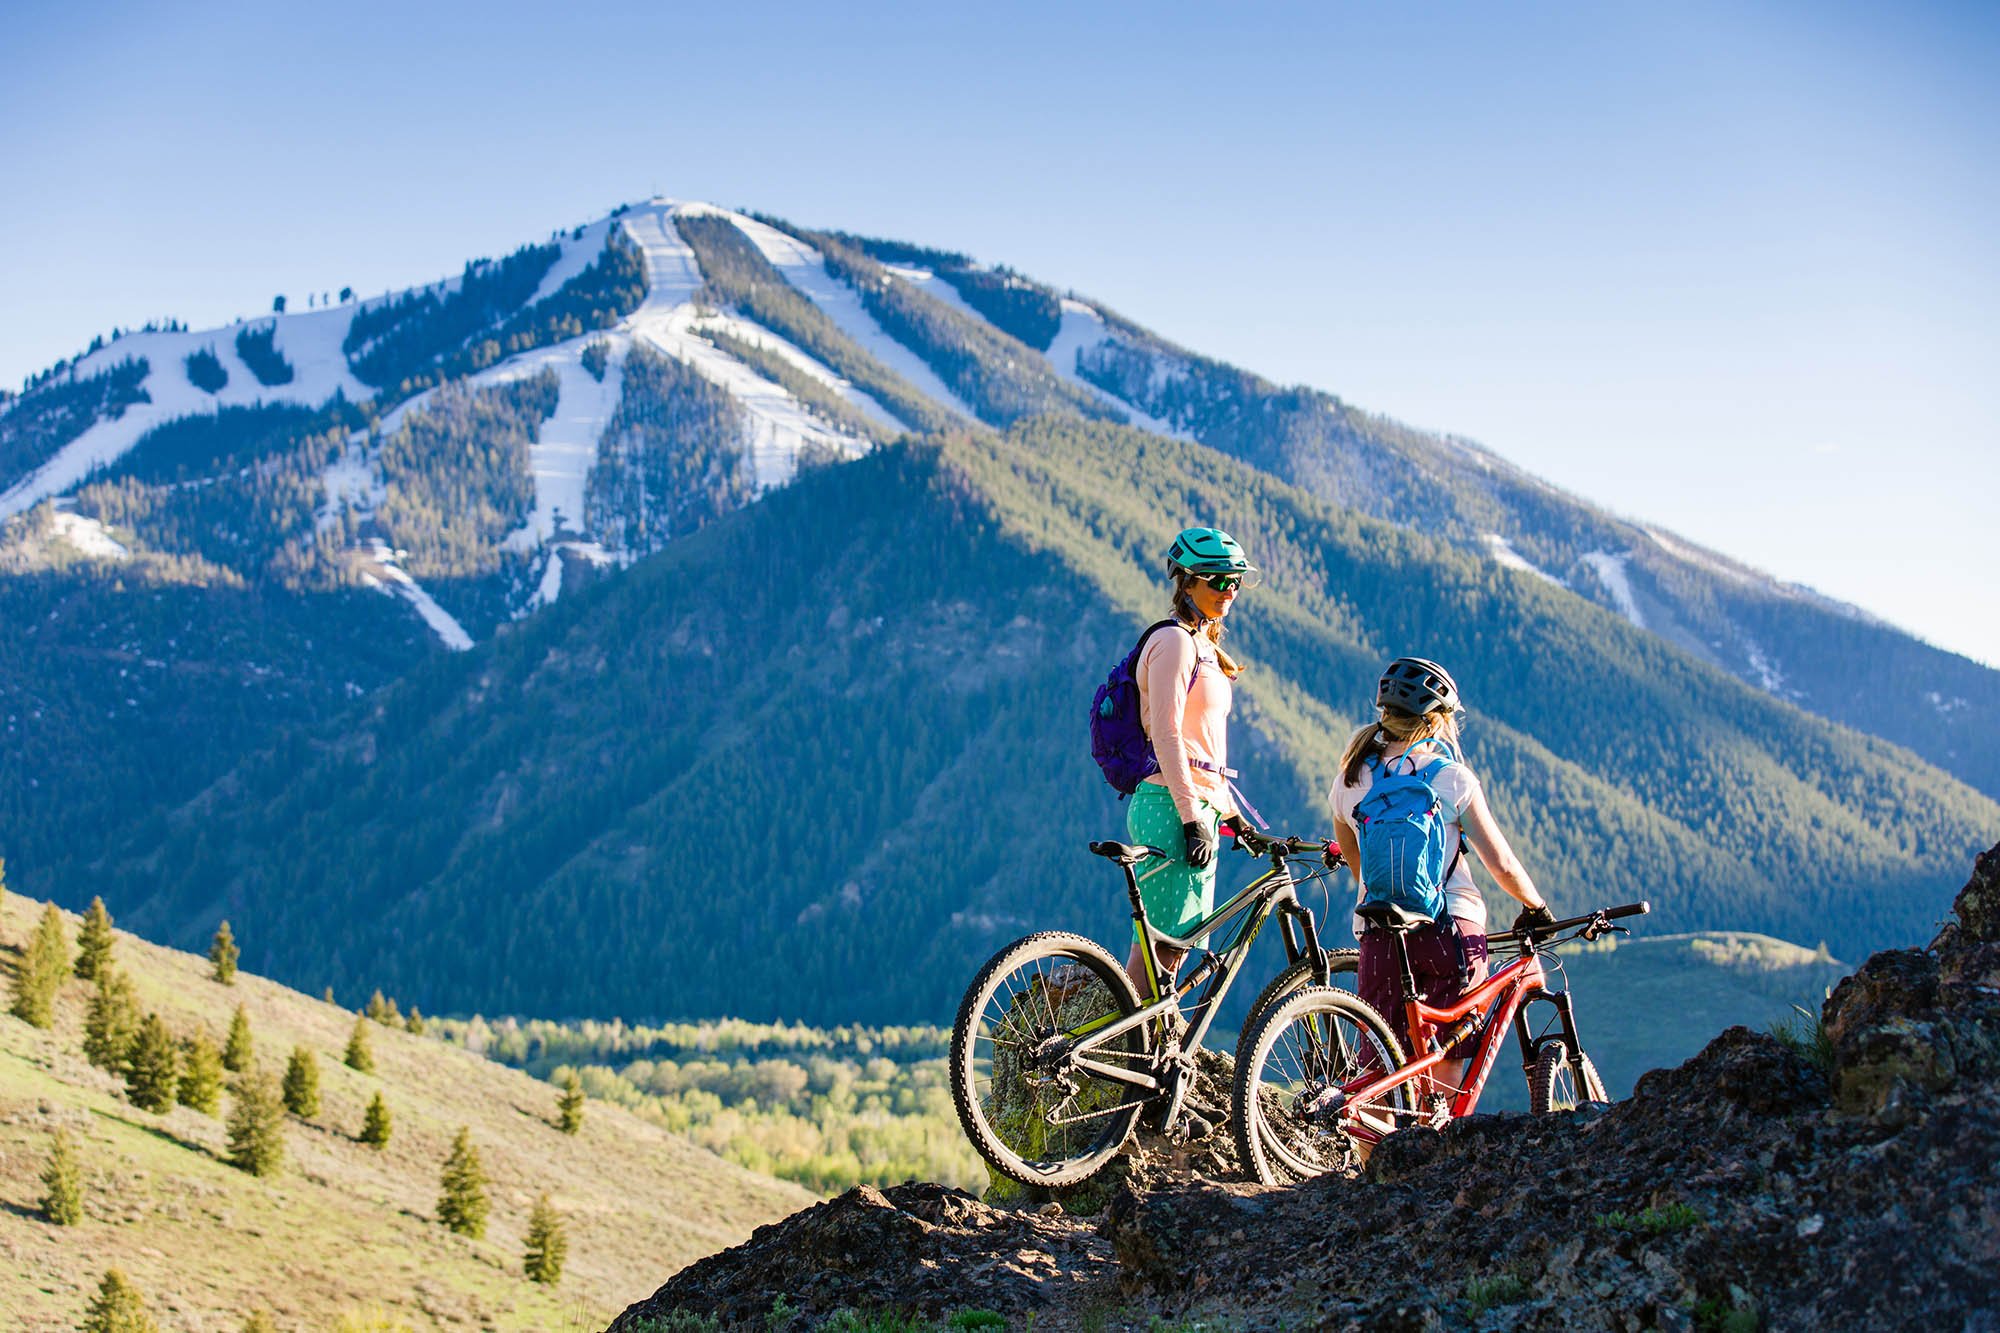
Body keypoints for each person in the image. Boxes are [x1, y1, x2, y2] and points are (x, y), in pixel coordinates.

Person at [1328, 657, 1554, 1095]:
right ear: (1436, 721)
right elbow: (1502, 864)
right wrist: (1536, 907)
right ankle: (1437, 1139)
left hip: (1380, 930)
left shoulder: (1349, 779)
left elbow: (1356, 861)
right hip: (1448, 929)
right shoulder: (1451, 778)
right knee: (1445, 1072)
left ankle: (1369, 1138)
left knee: (1380, 1070)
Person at [1123, 527, 1261, 999]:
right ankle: (1133, 1034)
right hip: (1171, 806)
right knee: (1163, 948)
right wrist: (1189, 817)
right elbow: (1166, 734)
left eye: (1235, 581)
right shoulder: (1175, 643)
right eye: (1217, 580)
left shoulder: (1201, 645)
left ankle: (1144, 1032)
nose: (1229, 590)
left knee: (1171, 948)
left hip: (1195, 804)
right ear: (1185, 582)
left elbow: (1204, 746)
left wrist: (1231, 815)